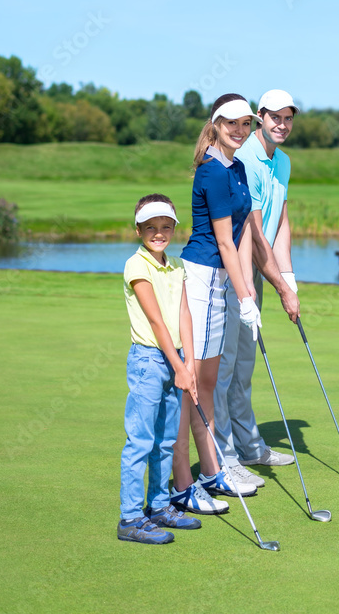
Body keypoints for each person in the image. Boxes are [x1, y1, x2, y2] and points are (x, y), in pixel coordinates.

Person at [170, 94, 263, 515]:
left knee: (207, 383)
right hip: (203, 279)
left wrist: (246, 291)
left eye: (246, 124)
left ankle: (210, 471)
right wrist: (245, 296)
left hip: (223, 281)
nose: (240, 130)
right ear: (216, 124)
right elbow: (223, 240)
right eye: (232, 123)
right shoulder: (211, 172)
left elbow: (243, 236)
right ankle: (183, 483)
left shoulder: (238, 167)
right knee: (193, 384)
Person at [213, 89, 301, 488]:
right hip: (233, 274)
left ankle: (248, 446)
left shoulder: (281, 162)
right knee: (227, 365)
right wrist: (281, 286)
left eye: (289, 118)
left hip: (260, 274)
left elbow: (279, 223)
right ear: (260, 116)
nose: (282, 124)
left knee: (244, 365)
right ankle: (223, 455)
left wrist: (289, 275)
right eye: (275, 117)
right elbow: (253, 231)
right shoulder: (246, 157)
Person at [118, 194, 201, 545]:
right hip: (149, 361)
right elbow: (156, 321)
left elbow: (184, 316)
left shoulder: (177, 266)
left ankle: (159, 506)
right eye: (150, 227)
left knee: (166, 440)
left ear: (174, 228)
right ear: (138, 229)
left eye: (165, 226)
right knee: (141, 440)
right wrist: (178, 365)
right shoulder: (136, 266)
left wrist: (191, 364)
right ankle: (131, 518)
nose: (158, 233)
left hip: (177, 358)